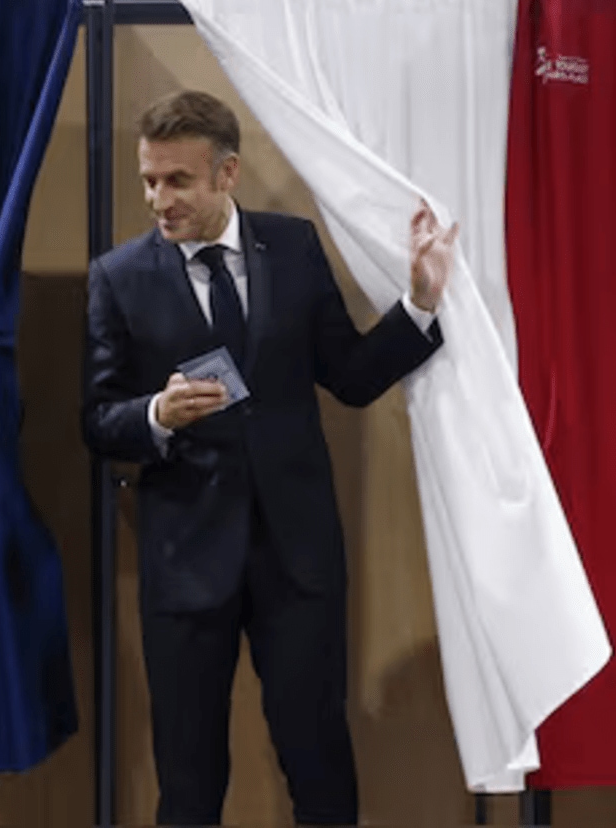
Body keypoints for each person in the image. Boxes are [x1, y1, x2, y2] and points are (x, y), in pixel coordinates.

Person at [81, 90, 458, 826]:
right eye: (149, 180)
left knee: (319, 766)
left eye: (178, 181)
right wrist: (155, 414)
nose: (159, 200)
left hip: (298, 561)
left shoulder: (294, 248)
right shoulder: (117, 278)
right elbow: (97, 420)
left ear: (227, 173)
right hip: (186, 565)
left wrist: (419, 304)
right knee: (188, 783)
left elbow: (349, 377)